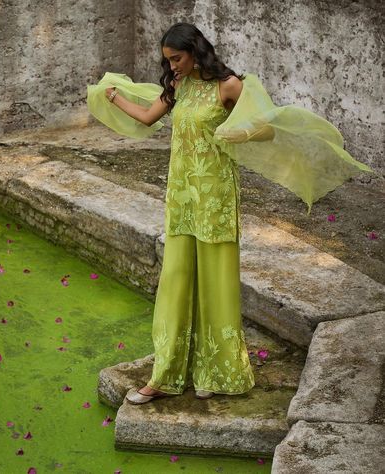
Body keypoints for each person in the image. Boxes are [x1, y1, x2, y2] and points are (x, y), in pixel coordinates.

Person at [86, 22, 375, 405]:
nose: (172, 66)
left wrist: (232, 134)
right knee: (175, 278)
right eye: (167, 61)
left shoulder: (230, 86)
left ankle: (215, 371)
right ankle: (166, 373)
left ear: (195, 51)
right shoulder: (178, 85)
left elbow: (267, 129)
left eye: (177, 58)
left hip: (217, 196)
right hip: (181, 197)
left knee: (216, 282)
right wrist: (113, 98)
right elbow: (146, 118)